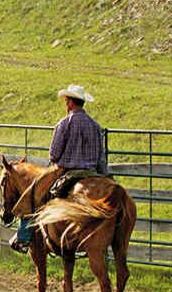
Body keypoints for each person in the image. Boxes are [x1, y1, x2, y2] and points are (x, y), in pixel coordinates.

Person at [10, 84, 108, 253]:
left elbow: (54, 155)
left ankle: (23, 238)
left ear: (70, 103)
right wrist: (104, 176)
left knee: (34, 195)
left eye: (66, 100)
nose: (65, 103)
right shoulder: (95, 126)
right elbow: (101, 157)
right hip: (92, 173)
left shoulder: (64, 124)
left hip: (67, 172)